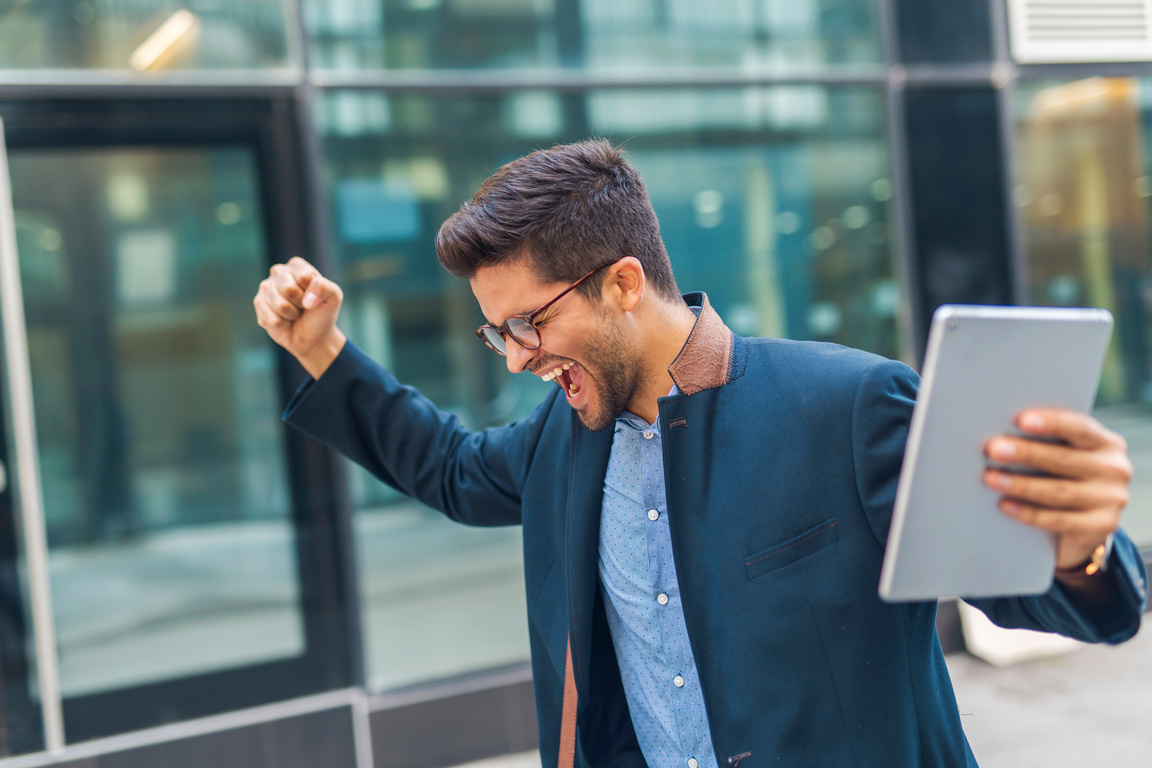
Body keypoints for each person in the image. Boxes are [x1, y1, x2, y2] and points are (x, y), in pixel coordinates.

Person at [253, 140, 1147, 768]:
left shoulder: (848, 406)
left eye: (528, 323)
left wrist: (1082, 545)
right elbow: (448, 467)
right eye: (498, 336)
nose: (519, 356)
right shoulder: (563, 439)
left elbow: (1045, 594)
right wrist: (324, 353)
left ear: (622, 283)